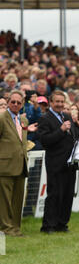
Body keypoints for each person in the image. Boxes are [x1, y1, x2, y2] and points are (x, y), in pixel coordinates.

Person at [37, 90, 79, 234]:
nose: (60, 104)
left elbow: (73, 136)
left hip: (70, 163)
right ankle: (48, 225)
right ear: (51, 102)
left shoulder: (67, 116)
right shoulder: (45, 118)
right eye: (57, 102)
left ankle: (62, 223)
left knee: (68, 194)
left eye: (62, 101)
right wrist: (61, 130)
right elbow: (45, 141)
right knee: (55, 194)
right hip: (55, 162)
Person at [0, 90, 38, 236]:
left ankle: (15, 227)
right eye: (13, 102)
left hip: (21, 164)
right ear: (8, 102)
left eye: (18, 102)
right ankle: (6, 228)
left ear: (22, 104)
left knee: (17, 200)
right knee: (4, 200)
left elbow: (21, 141)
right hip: (4, 166)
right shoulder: (2, 118)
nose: (15, 104)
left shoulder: (23, 121)